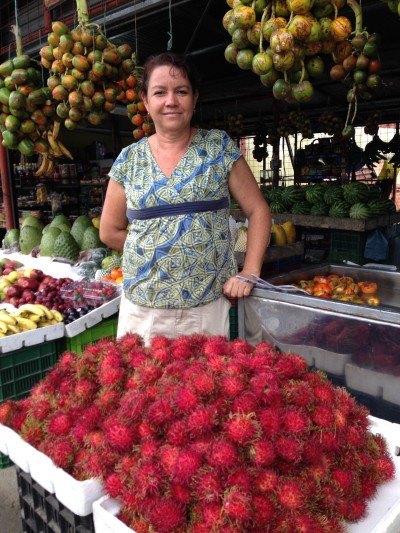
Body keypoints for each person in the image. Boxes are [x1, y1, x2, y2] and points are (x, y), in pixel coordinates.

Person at [100, 52, 271, 345]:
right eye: (160, 92)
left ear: (194, 98)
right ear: (145, 101)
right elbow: (109, 231)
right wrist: (158, 247)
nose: (171, 101)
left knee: (208, 387)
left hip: (207, 306)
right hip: (144, 309)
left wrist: (250, 272)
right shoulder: (129, 159)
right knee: (146, 387)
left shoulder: (218, 147)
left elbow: (258, 211)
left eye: (181, 91)